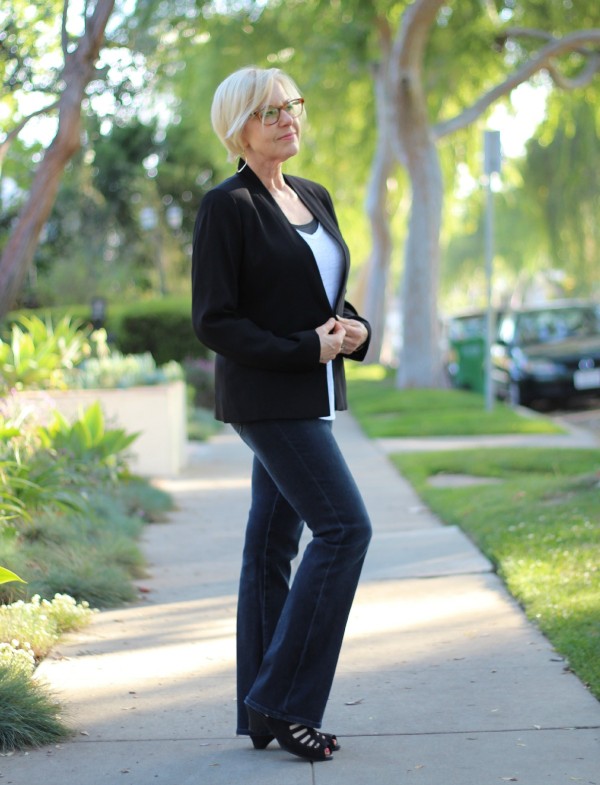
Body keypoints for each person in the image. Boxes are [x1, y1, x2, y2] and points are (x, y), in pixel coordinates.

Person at [191, 66, 373, 763]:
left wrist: (353, 330)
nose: (288, 118)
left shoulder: (312, 195)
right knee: (345, 527)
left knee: (271, 546)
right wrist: (305, 348)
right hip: (267, 399)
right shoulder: (226, 206)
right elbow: (215, 321)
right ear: (239, 126)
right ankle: (289, 701)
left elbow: (316, 292)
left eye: (294, 104)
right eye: (271, 111)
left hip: (313, 393)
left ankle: (259, 711)